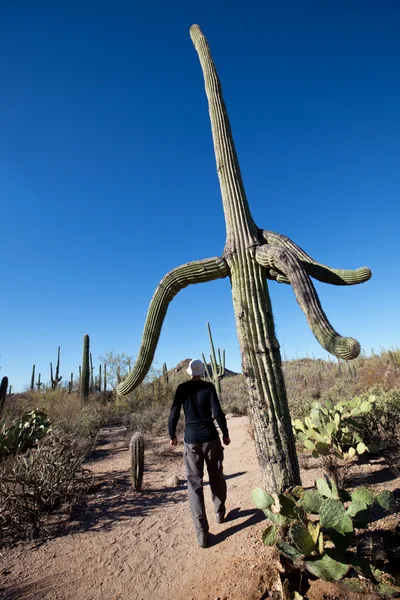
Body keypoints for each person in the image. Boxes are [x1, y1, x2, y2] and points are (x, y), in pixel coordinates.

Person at [168, 358, 231, 548]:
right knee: (216, 476)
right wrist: (225, 433)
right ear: (202, 371)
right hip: (211, 438)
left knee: (194, 484)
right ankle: (219, 513)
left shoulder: (181, 388)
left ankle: (202, 534)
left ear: (188, 372)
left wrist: (172, 434)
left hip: (191, 440)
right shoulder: (209, 387)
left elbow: (174, 413)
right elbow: (218, 412)